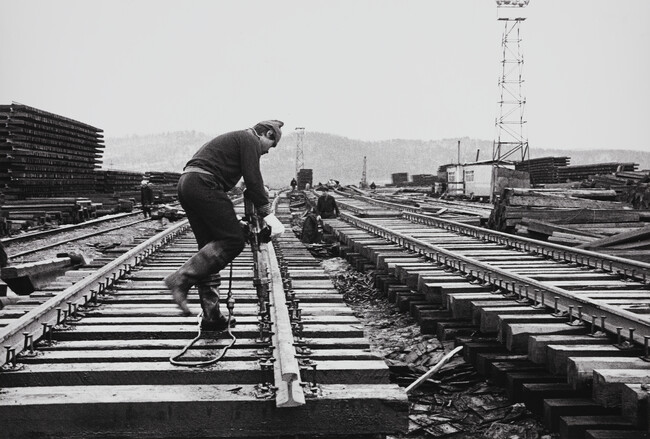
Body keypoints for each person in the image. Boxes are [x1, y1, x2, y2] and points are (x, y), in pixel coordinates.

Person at [164, 120, 286, 330]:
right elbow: (253, 180)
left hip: (188, 183)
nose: (267, 152)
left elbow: (246, 184)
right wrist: (270, 216)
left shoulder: (237, 140)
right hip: (205, 183)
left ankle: (211, 316)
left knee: (209, 249)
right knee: (233, 240)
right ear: (266, 134)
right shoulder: (249, 139)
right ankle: (181, 279)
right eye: (271, 145)